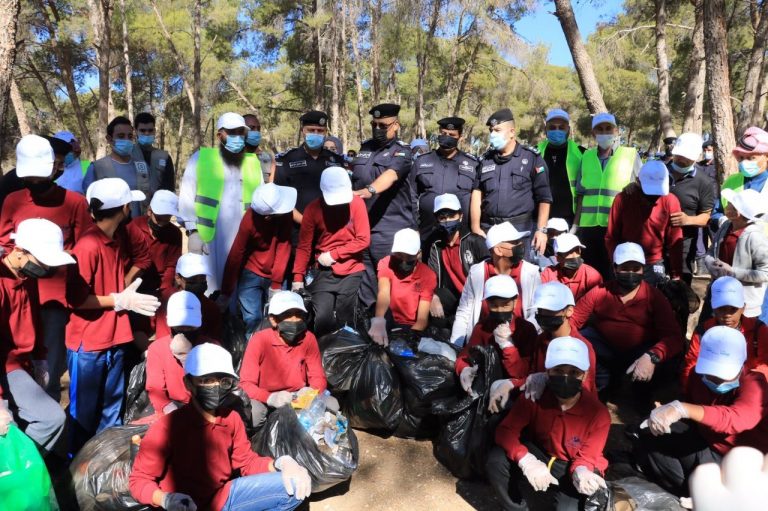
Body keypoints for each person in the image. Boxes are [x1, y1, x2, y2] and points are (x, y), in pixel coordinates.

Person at [129, 343, 311, 511]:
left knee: (295, 486)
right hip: (184, 506)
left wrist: (280, 463)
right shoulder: (168, 428)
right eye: (206, 380)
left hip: (222, 497)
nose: (215, 386)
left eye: (222, 381)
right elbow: (139, 480)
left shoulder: (231, 419)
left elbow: (246, 462)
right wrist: (165, 499)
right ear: (188, 383)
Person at [66, 178, 162, 453]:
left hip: (115, 336)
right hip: (89, 343)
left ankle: (106, 461)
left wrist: (122, 295)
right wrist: (118, 300)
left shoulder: (116, 238)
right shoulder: (88, 246)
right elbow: (76, 299)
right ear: (123, 208)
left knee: (111, 408)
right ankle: (77, 463)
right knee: (83, 414)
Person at [0, 135, 93, 401]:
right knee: (15, 362)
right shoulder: (13, 200)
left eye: (40, 178)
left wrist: (58, 257)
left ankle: (48, 412)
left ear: (55, 168)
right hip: (17, 298)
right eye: (30, 179)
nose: (36, 184)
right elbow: (4, 243)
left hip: (54, 300)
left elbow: (86, 247)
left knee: (49, 370)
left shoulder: (74, 202)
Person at [635, 326, 768, 504]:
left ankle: (708, 496)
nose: (717, 379)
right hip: (706, 443)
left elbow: (735, 419)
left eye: (724, 373)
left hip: (739, 462)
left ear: (742, 365)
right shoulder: (696, 377)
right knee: (649, 433)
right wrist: (668, 413)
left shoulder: (755, 384)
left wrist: (683, 409)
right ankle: (694, 490)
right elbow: (693, 407)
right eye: (711, 372)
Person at [487, 336, 610, 511]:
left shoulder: (598, 414)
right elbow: (505, 430)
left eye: (574, 372)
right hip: (539, 452)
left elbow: (588, 455)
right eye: (558, 370)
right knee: (496, 460)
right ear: (547, 372)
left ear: (585, 375)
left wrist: (582, 471)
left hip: (569, 463)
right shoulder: (535, 395)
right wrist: (525, 459)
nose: (565, 377)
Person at [0, 219, 74, 454]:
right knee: (7, 427)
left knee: (53, 419)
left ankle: (23, 465)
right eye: (41, 261)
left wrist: (40, 358)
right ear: (19, 251)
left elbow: (35, 320)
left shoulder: (28, 279)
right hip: (5, 366)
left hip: (16, 366)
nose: (46, 268)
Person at [572, 242, 684, 395]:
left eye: (636, 268)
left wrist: (653, 356)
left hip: (640, 353)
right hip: (605, 351)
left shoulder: (654, 297)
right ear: (615, 268)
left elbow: (673, 337)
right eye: (625, 268)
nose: (631, 273)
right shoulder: (600, 292)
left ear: (643, 269)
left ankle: (642, 394)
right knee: (581, 339)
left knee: (660, 370)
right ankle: (602, 386)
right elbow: (573, 320)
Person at [179, 112, 264, 292]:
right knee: (210, 288)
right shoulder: (201, 158)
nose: (237, 137)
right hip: (209, 239)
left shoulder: (253, 163)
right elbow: (187, 195)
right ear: (220, 135)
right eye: (232, 132)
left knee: (239, 290)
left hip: (244, 239)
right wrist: (192, 231)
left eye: (241, 132)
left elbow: (262, 201)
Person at [488, 282, 599, 413]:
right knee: (497, 387)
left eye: (551, 310)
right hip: (538, 396)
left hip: (564, 406)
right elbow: (527, 374)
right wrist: (508, 346)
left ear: (569, 311)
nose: (544, 314)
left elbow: (579, 391)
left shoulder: (582, 348)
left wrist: (547, 380)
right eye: (541, 310)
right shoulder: (542, 339)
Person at [351, 103, 415, 310]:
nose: (377, 129)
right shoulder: (365, 148)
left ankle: (391, 325)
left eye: (383, 125)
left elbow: (391, 175)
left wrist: (369, 190)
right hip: (363, 227)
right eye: (374, 125)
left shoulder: (402, 151)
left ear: (395, 125)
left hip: (390, 228)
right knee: (366, 282)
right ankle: (368, 320)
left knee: (390, 283)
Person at [292, 167, 370, 336]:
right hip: (323, 271)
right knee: (323, 319)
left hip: (351, 268)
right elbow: (304, 246)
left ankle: (347, 349)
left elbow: (363, 239)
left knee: (345, 317)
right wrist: (297, 278)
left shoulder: (357, 204)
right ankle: (321, 348)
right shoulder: (312, 210)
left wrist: (334, 254)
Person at [471, 108, 552, 259]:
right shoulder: (485, 160)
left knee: (520, 272)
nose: (492, 134)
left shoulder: (531, 158)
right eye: (491, 131)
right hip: (489, 230)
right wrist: (475, 227)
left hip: (520, 230)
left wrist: (541, 230)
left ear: (512, 132)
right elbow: (477, 193)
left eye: (497, 130)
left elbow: (544, 198)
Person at [239, 291, 328, 430]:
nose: (294, 320)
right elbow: (246, 384)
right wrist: (270, 398)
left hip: (296, 396)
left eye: (298, 314)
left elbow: (318, 376)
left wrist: (310, 392)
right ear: (273, 320)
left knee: (332, 405)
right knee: (254, 415)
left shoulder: (308, 338)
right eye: (287, 315)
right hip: (266, 398)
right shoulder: (259, 340)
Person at [221, 184, 295, 335]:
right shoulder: (249, 220)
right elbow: (237, 253)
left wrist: (276, 284)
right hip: (251, 272)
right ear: (268, 216)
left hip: (277, 273)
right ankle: (253, 348)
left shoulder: (285, 215)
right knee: (252, 320)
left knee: (278, 319)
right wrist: (226, 291)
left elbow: (283, 247)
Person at [450, 222, 541, 347]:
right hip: (484, 343)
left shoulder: (531, 273)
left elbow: (536, 313)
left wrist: (515, 336)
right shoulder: (477, 273)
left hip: (520, 344)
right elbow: (464, 313)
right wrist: (456, 346)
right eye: (514, 242)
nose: (520, 245)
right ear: (498, 250)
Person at [573, 112, 641, 278]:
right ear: (593, 133)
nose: (604, 132)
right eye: (600, 129)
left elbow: (644, 187)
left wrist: (635, 186)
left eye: (608, 128)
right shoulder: (586, 157)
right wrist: (575, 225)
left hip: (616, 227)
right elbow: (581, 194)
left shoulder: (631, 155)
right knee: (590, 273)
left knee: (612, 273)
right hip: (588, 228)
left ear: (616, 131)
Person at [455, 275, 538, 398]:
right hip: (485, 386)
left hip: (515, 391)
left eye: (505, 305)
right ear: (487, 303)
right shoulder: (482, 327)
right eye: (494, 305)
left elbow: (523, 372)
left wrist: (507, 346)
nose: (499, 310)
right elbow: (466, 354)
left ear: (515, 302)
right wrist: (464, 369)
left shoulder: (525, 329)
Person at [682, 277, 768, 392]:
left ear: (743, 308)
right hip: (711, 387)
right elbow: (692, 365)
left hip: (747, 387)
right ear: (713, 307)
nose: (727, 315)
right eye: (721, 309)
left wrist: (749, 387)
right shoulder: (703, 331)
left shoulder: (758, 330)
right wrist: (690, 391)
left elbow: (765, 365)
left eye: (733, 309)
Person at [605, 160, 684, 283]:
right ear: (638, 182)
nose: (653, 196)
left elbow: (675, 241)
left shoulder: (670, 201)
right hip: (624, 261)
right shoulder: (623, 199)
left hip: (654, 262)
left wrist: (676, 275)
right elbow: (611, 237)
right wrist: (616, 263)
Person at [124, 190, 183, 347]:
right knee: (136, 322)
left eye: (166, 220)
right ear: (149, 211)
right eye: (159, 219)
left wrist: (164, 293)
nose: (162, 224)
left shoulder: (174, 234)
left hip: (159, 287)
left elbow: (171, 265)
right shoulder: (133, 227)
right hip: (133, 286)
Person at [426, 193, 488, 337]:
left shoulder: (475, 241)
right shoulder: (435, 244)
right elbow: (429, 276)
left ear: (460, 216)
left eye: (451, 216)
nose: (447, 221)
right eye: (442, 217)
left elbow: (489, 275)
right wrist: (432, 296)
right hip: (452, 299)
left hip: (476, 299)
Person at [413, 117, 477, 247]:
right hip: (427, 233)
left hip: (460, 236)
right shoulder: (422, 161)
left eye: (452, 135)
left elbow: (477, 199)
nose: (447, 137)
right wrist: (413, 226)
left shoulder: (472, 164)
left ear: (460, 137)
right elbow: (411, 196)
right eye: (443, 133)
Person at [704, 188, 768, 318]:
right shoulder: (726, 226)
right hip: (718, 294)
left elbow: (764, 273)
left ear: (737, 212)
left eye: (730, 204)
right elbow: (711, 251)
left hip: (744, 304)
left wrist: (733, 272)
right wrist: (711, 263)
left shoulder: (755, 237)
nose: (726, 206)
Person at [146, 290, 211, 415]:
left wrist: (187, 360)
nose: (185, 330)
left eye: (190, 327)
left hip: (206, 406)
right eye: (180, 326)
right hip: (173, 407)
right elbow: (155, 389)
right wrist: (172, 412)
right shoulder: (157, 349)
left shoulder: (211, 346)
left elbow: (214, 386)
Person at [368, 228, 437, 346]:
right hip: (388, 320)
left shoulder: (428, 275)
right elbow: (383, 293)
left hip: (410, 326)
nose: (404, 261)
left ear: (418, 254)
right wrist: (379, 320)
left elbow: (422, 319)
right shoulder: (386, 263)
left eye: (409, 257)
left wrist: (408, 338)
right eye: (400, 255)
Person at [273, 110, 343, 220]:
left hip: (330, 226)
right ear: (302, 131)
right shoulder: (286, 160)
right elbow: (280, 198)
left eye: (320, 131)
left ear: (326, 132)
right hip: (297, 226)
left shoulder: (337, 160)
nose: (316, 133)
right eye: (311, 130)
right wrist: (304, 222)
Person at [667, 133, 715, 284]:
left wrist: (687, 220)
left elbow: (706, 217)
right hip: (653, 243)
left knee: (680, 289)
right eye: (679, 156)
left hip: (683, 246)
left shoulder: (704, 182)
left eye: (686, 157)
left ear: (695, 157)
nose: (681, 160)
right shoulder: (659, 172)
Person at [83, 116, 153, 217]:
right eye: (121, 136)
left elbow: (151, 197)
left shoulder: (142, 166)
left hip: (141, 224)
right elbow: (87, 204)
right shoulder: (97, 168)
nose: (127, 140)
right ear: (109, 139)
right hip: (112, 226)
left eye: (130, 136)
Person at [156, 253, 223, 342]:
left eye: (202, 278)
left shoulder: (211, 308)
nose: (198, 283)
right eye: (193, 279)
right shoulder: (165, 299)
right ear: (178, 278)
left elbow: (213, 342)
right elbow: (163, 339)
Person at [536, 108, 586, 226]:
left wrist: (576, 225)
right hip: (539, 219)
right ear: (546, 129)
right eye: (552, 127)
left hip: (570, 219)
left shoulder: (582, 153)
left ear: (568, 130)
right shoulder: (535, 152)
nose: (556, 130)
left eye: (561, 127)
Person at [712, 127, 768, 226]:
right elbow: (716, 213)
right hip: (734, 234)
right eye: (741, 157)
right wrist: (726, 222)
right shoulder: (731, 181)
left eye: (751, 158)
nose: (745, 162)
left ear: (766, 156)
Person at [540, 233, 602, 302]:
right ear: (558, 257)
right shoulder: (548, 275)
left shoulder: (592, 276)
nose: (575, 255)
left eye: (577, 250)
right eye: (569, 252)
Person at [133, 112, 176, 196]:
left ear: (154, 131)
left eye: (150, 130)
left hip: (157, 202)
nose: (147, 133)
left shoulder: (164, 157)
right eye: (142, 130)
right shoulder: (128, 155)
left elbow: (169, 188)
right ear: (135, 131)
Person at [697, 139, 718, 274]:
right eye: (705, 150)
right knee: (699, 234)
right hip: (699, 205)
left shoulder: (719, 166)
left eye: (709, 150)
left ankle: (717, 261)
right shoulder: (698, 166)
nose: (707, 153)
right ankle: (701, 265)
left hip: (715, 205)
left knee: (715, 233)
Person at [243, 113, 275, 183]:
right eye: (252, 128)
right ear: (241, 131)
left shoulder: (268, 158)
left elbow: (270, 185)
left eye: (258, 128)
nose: (256, 131)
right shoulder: (231, 158)